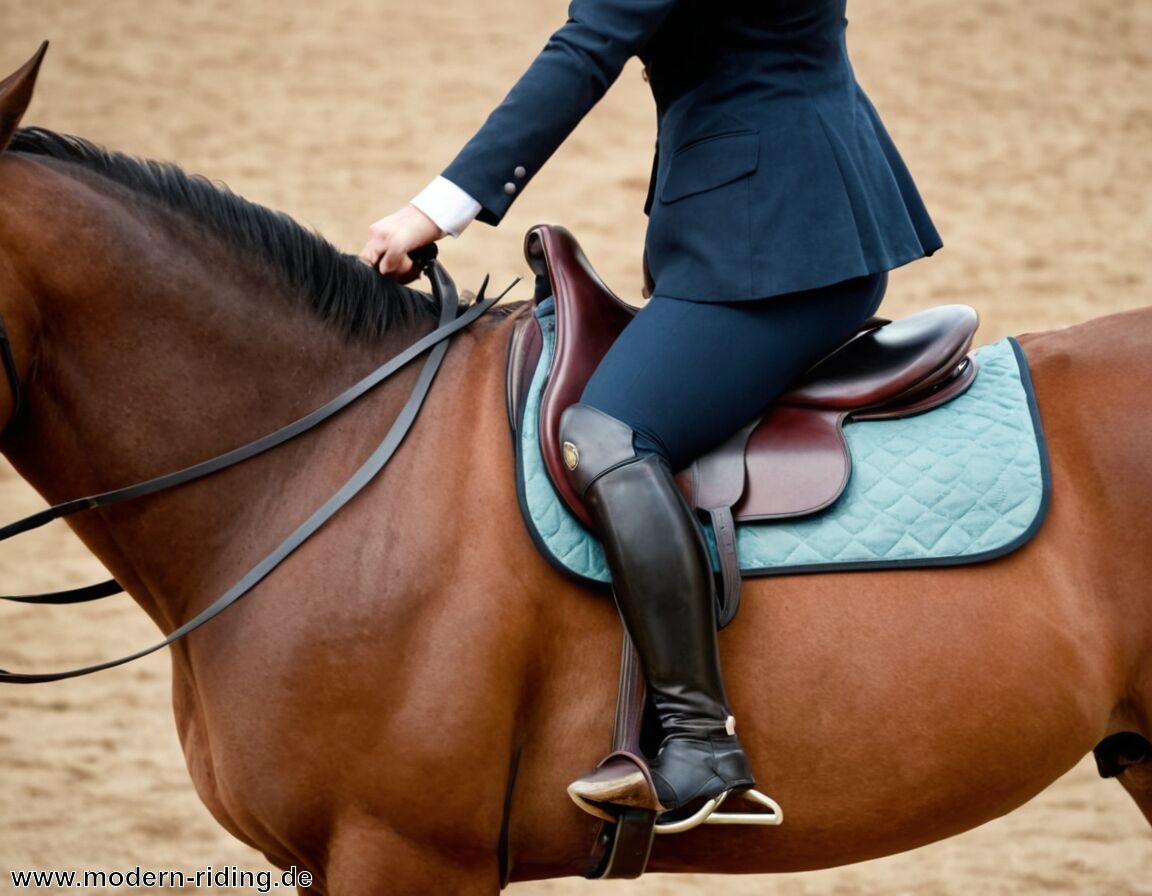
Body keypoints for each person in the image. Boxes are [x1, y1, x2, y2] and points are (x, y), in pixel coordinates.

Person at [360, 1, 941, 817]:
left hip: (776, 245)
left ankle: (701, 742)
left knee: (608, 434)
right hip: (792, 207)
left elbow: (587, 49)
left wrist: (435, 209)